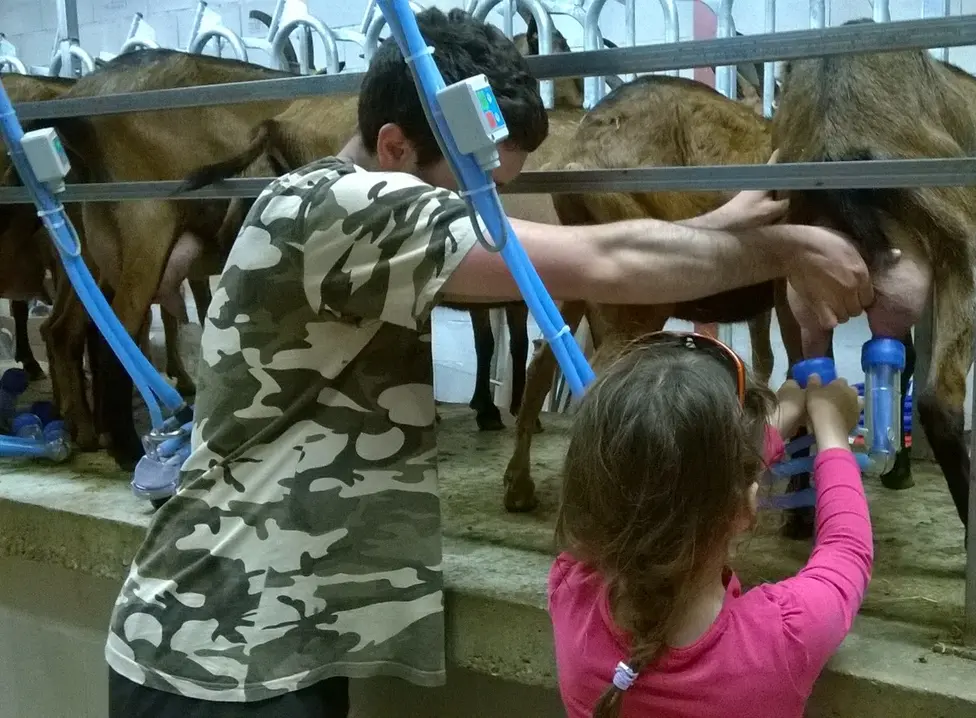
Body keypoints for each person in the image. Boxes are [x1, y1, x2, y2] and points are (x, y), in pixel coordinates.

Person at [104, 8, 874, 717]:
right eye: (470, 191)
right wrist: (776, 247)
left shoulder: (346, 212)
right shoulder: (341, 209)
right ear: (395, 147)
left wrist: (714, 227)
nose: (483, 216)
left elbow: (567, 259)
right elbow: (599, 260)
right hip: (214, 654)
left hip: (270, 642)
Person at [550, 331, 873, 718]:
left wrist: (780, 420)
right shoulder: (783, 638)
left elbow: (665, 477)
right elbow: (846, 550)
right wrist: (832, 428)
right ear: (744, 508)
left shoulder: (571, 593)